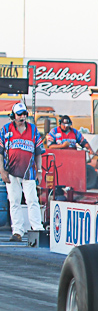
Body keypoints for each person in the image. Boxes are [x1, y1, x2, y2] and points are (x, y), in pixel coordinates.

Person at [0, 102, 45, 242]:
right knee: (14, 201)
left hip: (29, 172)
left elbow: (39, 152)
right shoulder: (6, 130)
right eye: (19, 114)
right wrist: (1, 170)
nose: (22, 117)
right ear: (13, 116)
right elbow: (0, 152)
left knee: (32, 200)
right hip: (11, 171)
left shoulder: (33, 129)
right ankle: (17, 231)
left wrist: (39, 170)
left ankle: (37, 228)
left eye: (24, 114)